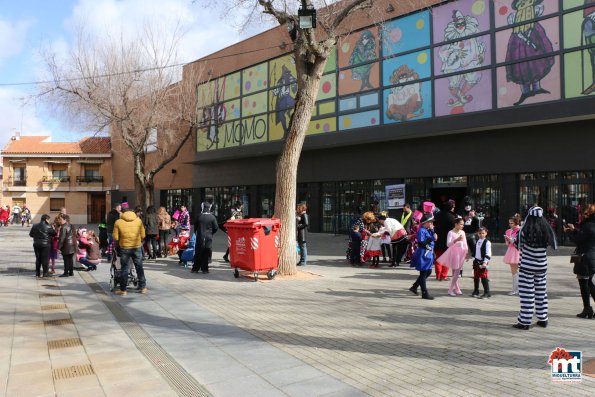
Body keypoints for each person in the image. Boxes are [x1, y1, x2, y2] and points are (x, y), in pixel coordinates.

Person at [513, 206, 557, 330]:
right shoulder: (546, 229)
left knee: (527, 294)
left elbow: (518, 245)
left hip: (527, 266)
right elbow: (553, 244)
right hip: (542, 266)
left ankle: (525, 321)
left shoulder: (525, 230)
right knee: (541, 292)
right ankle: (543, 318)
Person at [564, 203, 595, 319]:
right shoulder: (591, 225)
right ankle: (587, 309)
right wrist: (575, 230)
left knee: (584, 284)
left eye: (581, 213)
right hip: (591, 257)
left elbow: (578, 240)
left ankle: (587, 309)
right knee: (589, 283)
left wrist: (568, 231)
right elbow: (585, 237)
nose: (580, 216)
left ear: (586, 214)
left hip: (585, 258)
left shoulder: (587, 226)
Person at [113, 202, 147, 295]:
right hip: (137, 247)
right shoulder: (138, 221)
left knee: (124, 268)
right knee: (139, 267)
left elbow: (115, 237)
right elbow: (143, 235)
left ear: (122, 213)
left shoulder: (118, 222)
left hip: (125, 247)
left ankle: (123, 290)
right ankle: (142, 287)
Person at [436, 218, 468, 296]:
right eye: (461, 224)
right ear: (456, 224)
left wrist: (466, 253)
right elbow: (448, 244)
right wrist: (456, 240)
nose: (462, 226)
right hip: (454, 253)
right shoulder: (450, 232)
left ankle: (457, 288)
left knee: (456, 272)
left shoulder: (462, 232)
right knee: (456, 272)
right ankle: (450, 290)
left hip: (461, 253)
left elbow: (465, 243)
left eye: (463, 224)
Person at [409, 214, 437, 300]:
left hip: (428, 253)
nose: (432, 223)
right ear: (426, 222)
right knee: (424, 273)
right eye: (431, 222)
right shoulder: (421, 230)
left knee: (428, 272)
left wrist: (432, 232)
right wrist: (432, 238)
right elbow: (421, 243)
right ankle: (424, 292)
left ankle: (415, 286)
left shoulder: (428, 230)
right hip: (423, 254)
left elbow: (432, 237)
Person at [434, 200, 458, 281]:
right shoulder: (452, 217)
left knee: (438, 258)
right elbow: (455, 230)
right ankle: (443, 276)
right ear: (451, 208)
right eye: (453, 207)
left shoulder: (437, 214)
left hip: (438, 240)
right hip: (448, 241)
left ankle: (438, 275)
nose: (454, 209)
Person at [192, 202, 219, 274]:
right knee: (206, 252)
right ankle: (205, 269)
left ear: (203, 207)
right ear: (209, 208)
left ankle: (195, 269)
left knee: (198, 252)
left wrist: (196, 233)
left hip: (200, 236)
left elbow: (195, 227)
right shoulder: (212, 217)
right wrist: (211, 233)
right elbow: (216, 227)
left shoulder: (199, 216)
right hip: (208, 237)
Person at [470, 227, 492, 299]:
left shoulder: (487, 242)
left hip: (483, 262)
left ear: (486, 233)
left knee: (483, 276)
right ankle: (476, 291)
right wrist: (473, 258)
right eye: (480, 233)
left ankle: (487, 292)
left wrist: (485, 262)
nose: (481, 235)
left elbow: (488, 253)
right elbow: (475, 251)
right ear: (477, 234)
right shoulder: (477, 241)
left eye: (483, 233)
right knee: (476, 276)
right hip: (476, 261)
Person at [504, 214, 522, 296]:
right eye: (509, 223)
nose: (510, 224)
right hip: (511, 250)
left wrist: (511, 240)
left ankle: (516, 289)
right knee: (514, 271)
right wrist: (507, 240)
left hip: (518, 251)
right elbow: (507, 244)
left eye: (512, 223)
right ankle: (516, 289)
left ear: (516, 223)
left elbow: (520, 243)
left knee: (517, 271)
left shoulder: (520, 230)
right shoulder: (508, 231)